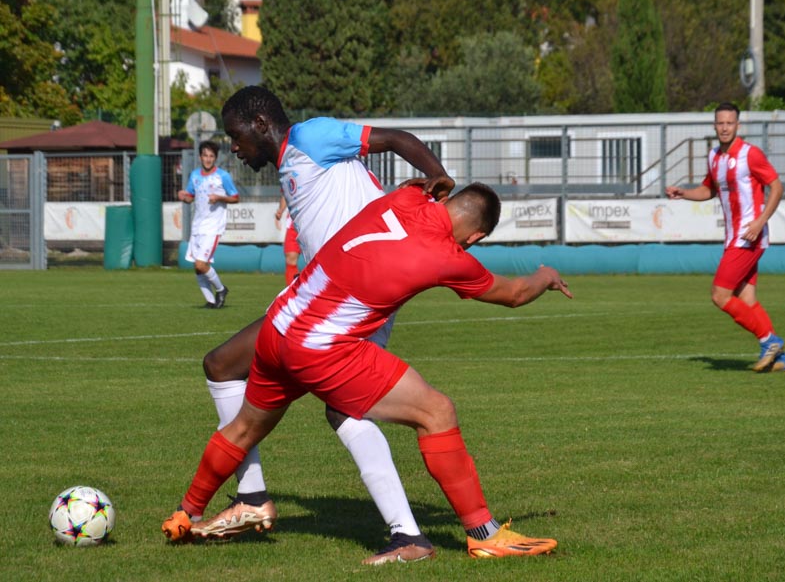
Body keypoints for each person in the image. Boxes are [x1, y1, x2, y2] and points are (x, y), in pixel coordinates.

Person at [163, 182, 571, 559]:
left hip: (277, 327)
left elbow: (419, 182)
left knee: (243, 428)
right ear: (476, 237)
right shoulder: (449, 257)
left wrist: (434, 181)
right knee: (436, 411)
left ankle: (186, 513)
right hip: (321, 348)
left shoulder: (406, 197)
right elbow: (515, 294)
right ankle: (484, 535)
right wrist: (546, 275)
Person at [193, 85, 455, 565]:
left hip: (354, 301)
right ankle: (251, 498)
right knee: (222, 365)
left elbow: (395, 138)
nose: (234, 147)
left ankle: (408, 535)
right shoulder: (292, 164)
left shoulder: (311, 136)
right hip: (318, 299)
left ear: (260, 124)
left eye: (235, 136)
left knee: (343, 408)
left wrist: (438, 176)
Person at [666, 102, 785, 372]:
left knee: (719, 295)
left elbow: (777, 187)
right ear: (714, 125)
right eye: (720, 123)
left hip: (749, 236)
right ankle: (781, 359)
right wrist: (683, 193)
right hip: (734, 237)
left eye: (729, 123)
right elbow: (708, 190)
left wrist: (760, 221)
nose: (724, 128)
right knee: (746, 300)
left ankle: (770, 341)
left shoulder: (750, 154)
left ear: (738, 125)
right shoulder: (714, 156)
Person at [177, 140, 239, 309]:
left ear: (215, 158)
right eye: (205, 155)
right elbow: (191, 197)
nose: (208, 159)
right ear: (200, 157)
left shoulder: (223, 176)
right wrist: (184, 196)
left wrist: (219, 197)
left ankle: (221, 289)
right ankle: (211, 301)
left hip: (213, 226)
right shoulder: (195, 175)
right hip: (197, 226)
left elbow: (235, 197)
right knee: (197, 267)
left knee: (201, 264)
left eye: (211, 156)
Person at [275, 195, 300, 285]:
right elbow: (286, 192)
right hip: (294, 220)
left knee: (318, 259)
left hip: (315, 218)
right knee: (290, 258)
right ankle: (293, 291)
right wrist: (281, 210)